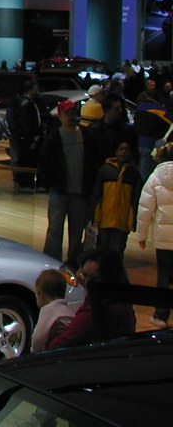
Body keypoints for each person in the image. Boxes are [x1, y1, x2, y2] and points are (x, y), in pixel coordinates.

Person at [39, 99, 101, 265]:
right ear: (60, 116)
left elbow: (94, 162)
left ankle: (73, 262)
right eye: (67, 113)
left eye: (73, 112)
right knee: (55, 229)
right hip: (60, 191)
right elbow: (45, 163)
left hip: (80, 193)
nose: (71, 116)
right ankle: (51, 263)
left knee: (76, 231)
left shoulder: (86, 136)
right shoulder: (53, 138)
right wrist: (50, 184)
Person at [46, 248, 135, 349]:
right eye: (83, 274)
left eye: (93, 279)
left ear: (109, 279)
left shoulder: (95, 311)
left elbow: (57, 345)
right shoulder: (119, 300)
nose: (86, 282)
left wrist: (50, 338)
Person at [133, 141, 173, 328]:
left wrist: (141, 235)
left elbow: (145, 209)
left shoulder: (156, 176)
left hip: (163, 239)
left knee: (163, 277)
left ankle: (161, 315)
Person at [92, 140, 139, 260]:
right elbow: (97, 193)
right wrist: (94, 214)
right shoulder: (105, 169)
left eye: (126, 149)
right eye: (121, 149)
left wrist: (132, 219)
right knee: (102, 249)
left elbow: (136, 198)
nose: (123, 152)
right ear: (116, 152)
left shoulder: (134, 173)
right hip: (105, 217)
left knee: (117, 250)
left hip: (122, 219)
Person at [10, 79, 44, 191]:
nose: (38, 90)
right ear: (31, 89)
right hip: (27, 139)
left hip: (27, 137)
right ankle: (24, 183)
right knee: (26, 160)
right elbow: (26, 123)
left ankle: (26, 183)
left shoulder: (28, 101)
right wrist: (31, 139)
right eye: (35, 88)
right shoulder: (26, 103)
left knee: (27, 160)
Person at [30, 268, 76, 352]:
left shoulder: (49, 311)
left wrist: (33, 351)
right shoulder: (69, 311)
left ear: (41, 293)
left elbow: (38, 338)